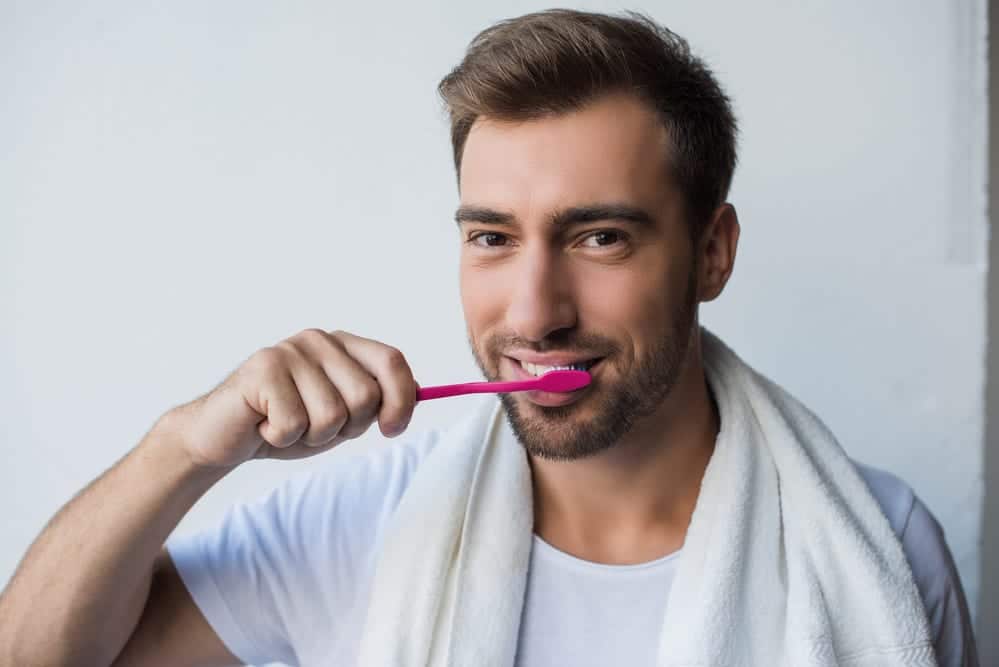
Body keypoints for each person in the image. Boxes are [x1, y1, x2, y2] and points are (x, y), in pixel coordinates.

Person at [0, 9, 979, 667]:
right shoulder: (369, 523)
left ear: (712, 252)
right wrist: (185, 446)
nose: (533, 310)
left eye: (600, 236)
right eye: (492, 238)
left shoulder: (880, 547)